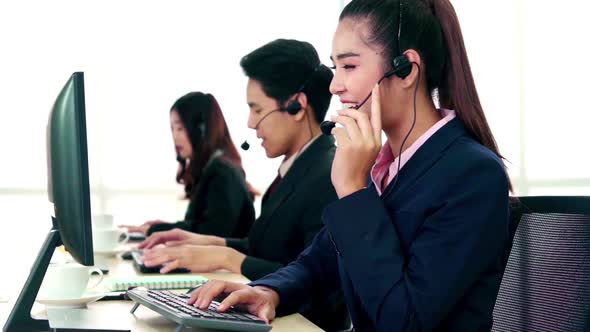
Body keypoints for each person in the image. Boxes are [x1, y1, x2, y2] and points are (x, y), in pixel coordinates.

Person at [187, 1, 512, 331]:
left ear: (406, 69)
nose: (334, 86)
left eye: (350, 67)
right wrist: (268, 291)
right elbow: (320, 261)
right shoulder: (388, 166)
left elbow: (404, 320)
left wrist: (353, 190)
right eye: (335, 68)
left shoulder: (471, 174)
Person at [138, 39, 350, 331]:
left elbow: (318, 279)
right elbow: (266, 248)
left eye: (257, 109)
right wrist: (208, 242)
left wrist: (229, 258)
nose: (251, 123)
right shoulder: (297, 168)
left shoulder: (330, 175)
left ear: (296, 106)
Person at [121, 92, 255, 238]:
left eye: (180, 128)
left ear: (202, 129)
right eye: (172, 129)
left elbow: (212, 233)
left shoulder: (222, 172)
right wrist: (162, 227)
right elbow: (201, 225)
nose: (175, 136)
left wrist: (160, 229)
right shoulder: (213, 167)